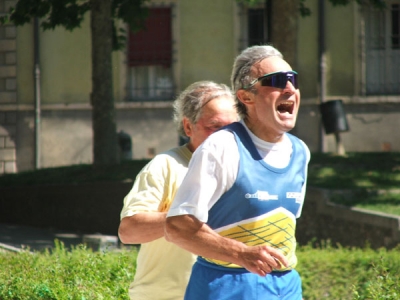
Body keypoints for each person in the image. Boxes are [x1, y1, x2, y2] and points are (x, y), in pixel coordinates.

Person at [165, 45, 310, 300]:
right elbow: (177, 227)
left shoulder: (301, 152)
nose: (289, 89)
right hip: (226, 286)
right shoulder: (221, 147)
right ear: (246, 97)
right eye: (276, 81)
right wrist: (242, 254)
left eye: (293, 79)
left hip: (286, 287)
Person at [118, 81, 239, 300]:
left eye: (233, 127)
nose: (227, 135)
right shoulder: (165, 165)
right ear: (188, 127)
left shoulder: (244, 170)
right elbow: (129, 231)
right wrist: (182, 220)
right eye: (215, 126)